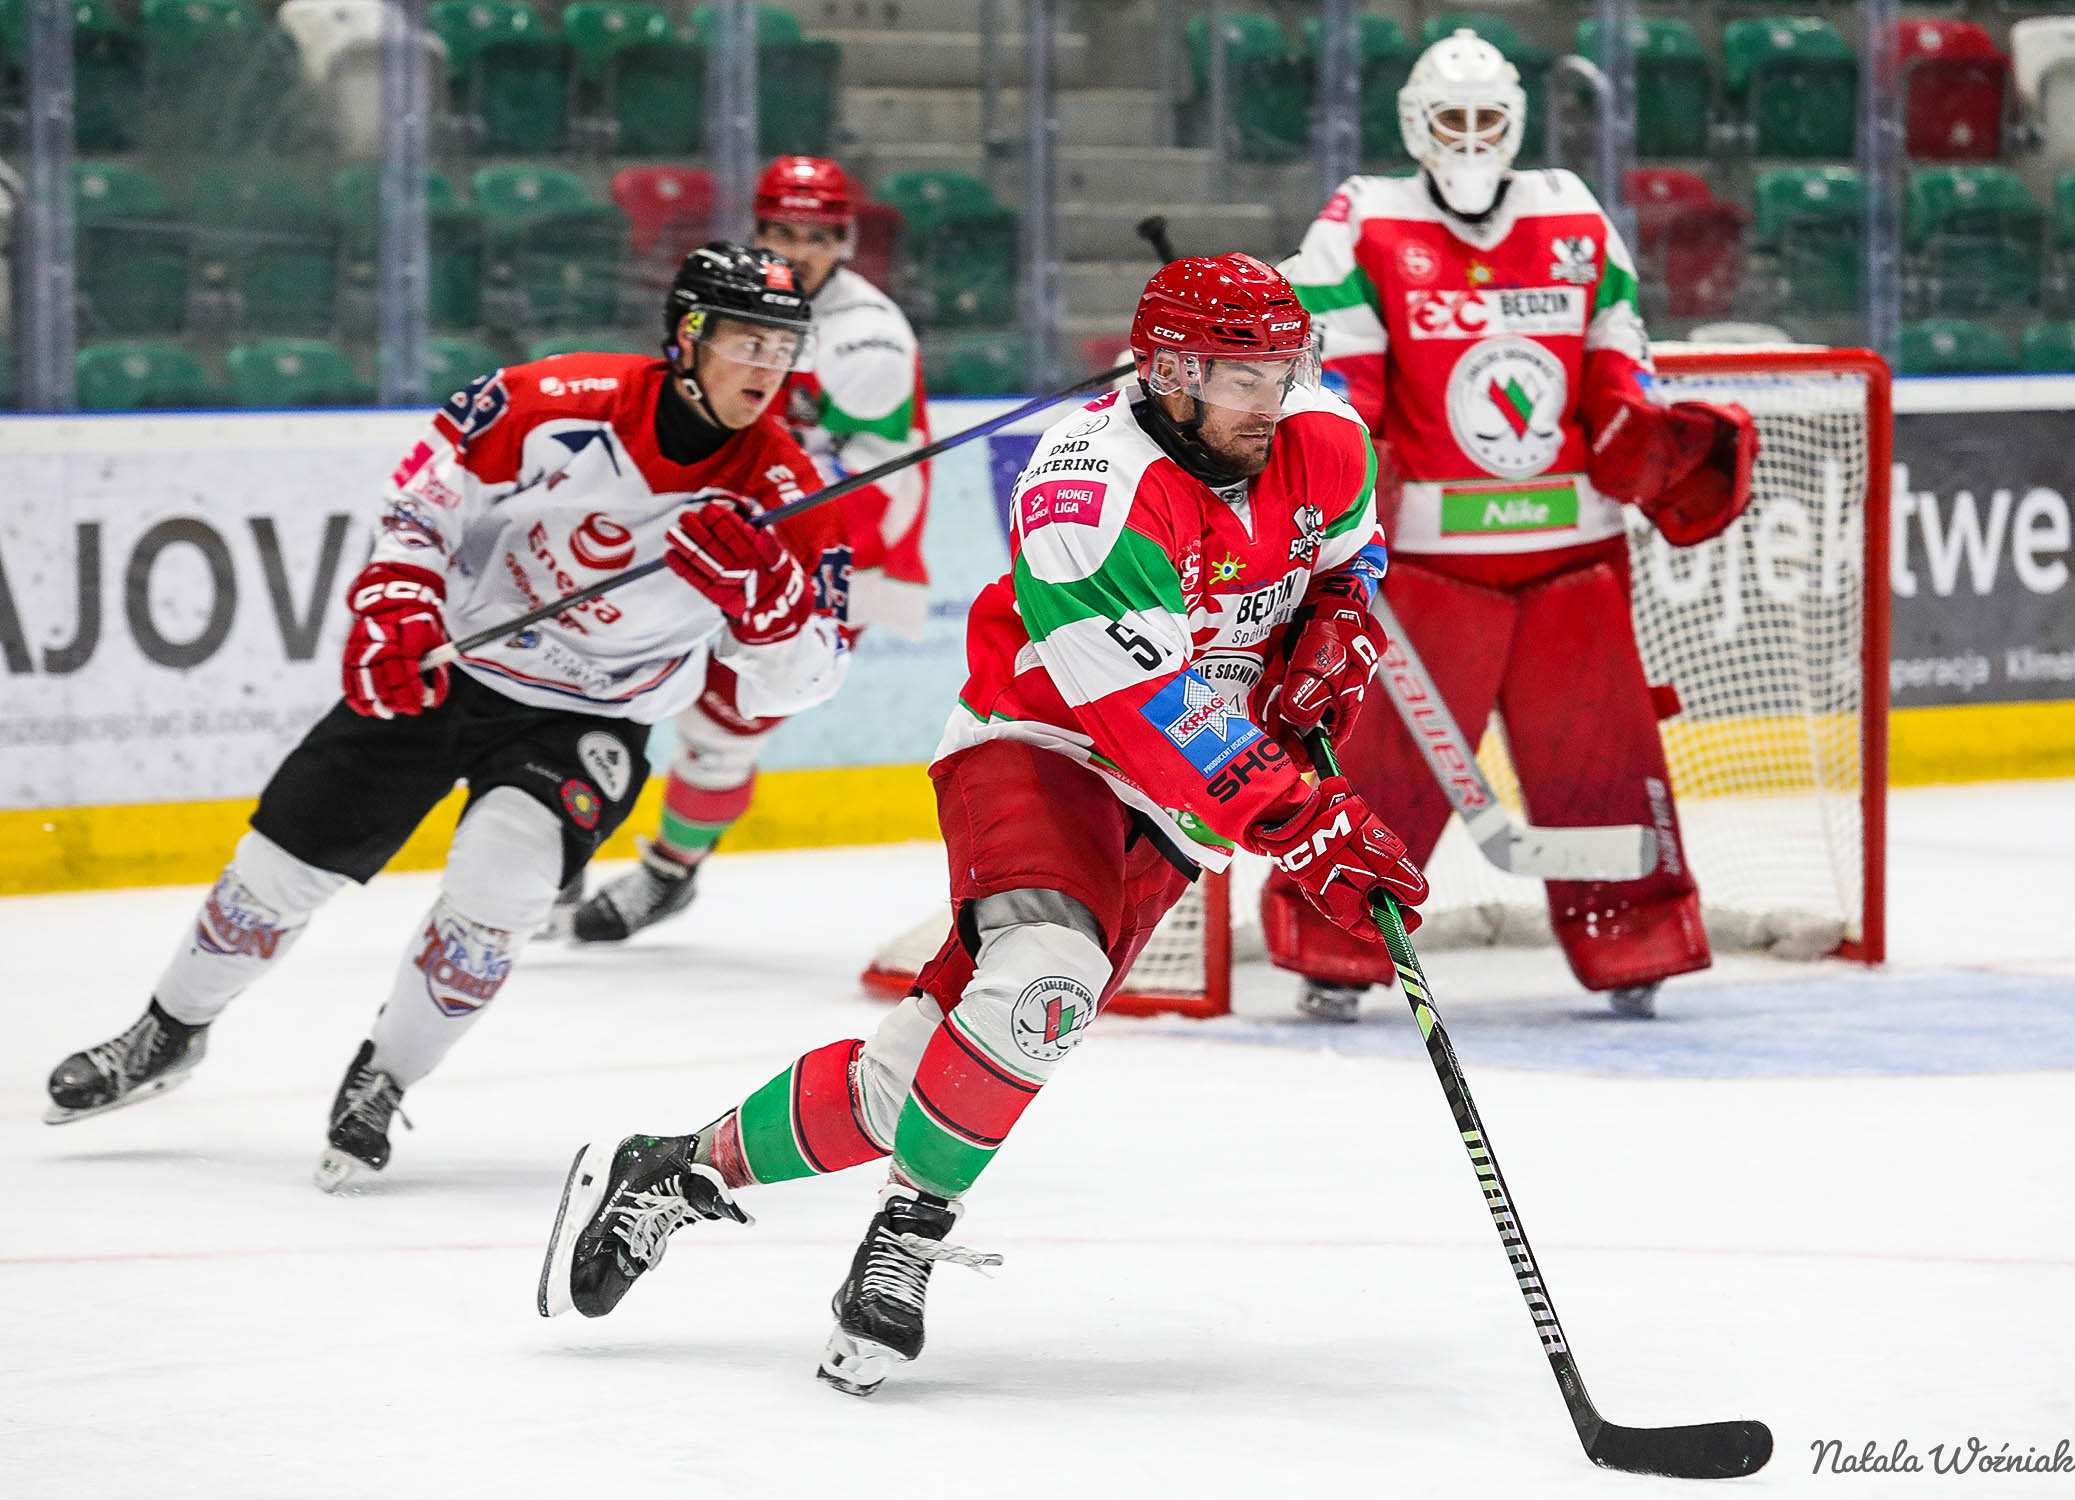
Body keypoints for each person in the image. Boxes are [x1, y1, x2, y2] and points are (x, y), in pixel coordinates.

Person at [534, 254, 1430, 1396]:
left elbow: (1348, 560)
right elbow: (1154, 710)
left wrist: (1340, 628)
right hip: (1047, 745)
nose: (1273, 399)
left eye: (1283, 370)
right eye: (1241, 377)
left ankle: (671, 1171)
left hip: (1189, 803)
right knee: (1048, 982)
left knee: (915, 1079)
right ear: (1169, 373)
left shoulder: (1323, 434)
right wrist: (1306, 821)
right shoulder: (1086, 490)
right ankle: (905, 1242)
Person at [43, 244, 853, 1190]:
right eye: (747, 342)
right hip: (455, 665)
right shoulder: (561, 399)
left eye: (783, 349)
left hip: (588, 717)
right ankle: (167, 1032)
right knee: (278, 870)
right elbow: (429, 491)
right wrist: (398, 597)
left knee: (498, 892)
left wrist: (770, 607)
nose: (766, 368)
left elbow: (806, 679)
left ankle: (384, 1078)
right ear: (687, 336)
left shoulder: (791, 492)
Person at [1271, 28, 1758, 1022]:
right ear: (1416, 125)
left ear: (1517, 123)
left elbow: (1619, 353)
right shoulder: (1363, 219)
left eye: (1487, 118)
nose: (1469, 136)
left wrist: (1639, 429)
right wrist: (1346, 488)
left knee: (1603, 758)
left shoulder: (1571, 211)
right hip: (1423, 564)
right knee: (1383, 766)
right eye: (1450, 118)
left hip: (1571, 552)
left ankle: (1635, 938)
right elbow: (1341, 386)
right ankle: (1335, 948)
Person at [562, 155, 931, 943]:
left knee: (723, 724)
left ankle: (670, 873)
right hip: (729, 524)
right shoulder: (737, 299)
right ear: (758, 230)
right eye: (783, 233)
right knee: (609, 666)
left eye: (818, 237)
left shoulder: (868, 340)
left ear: (845, 239)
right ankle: (556, 842)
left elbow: (873, 483)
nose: (801, 252)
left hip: (836, 548)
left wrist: (763, 523)